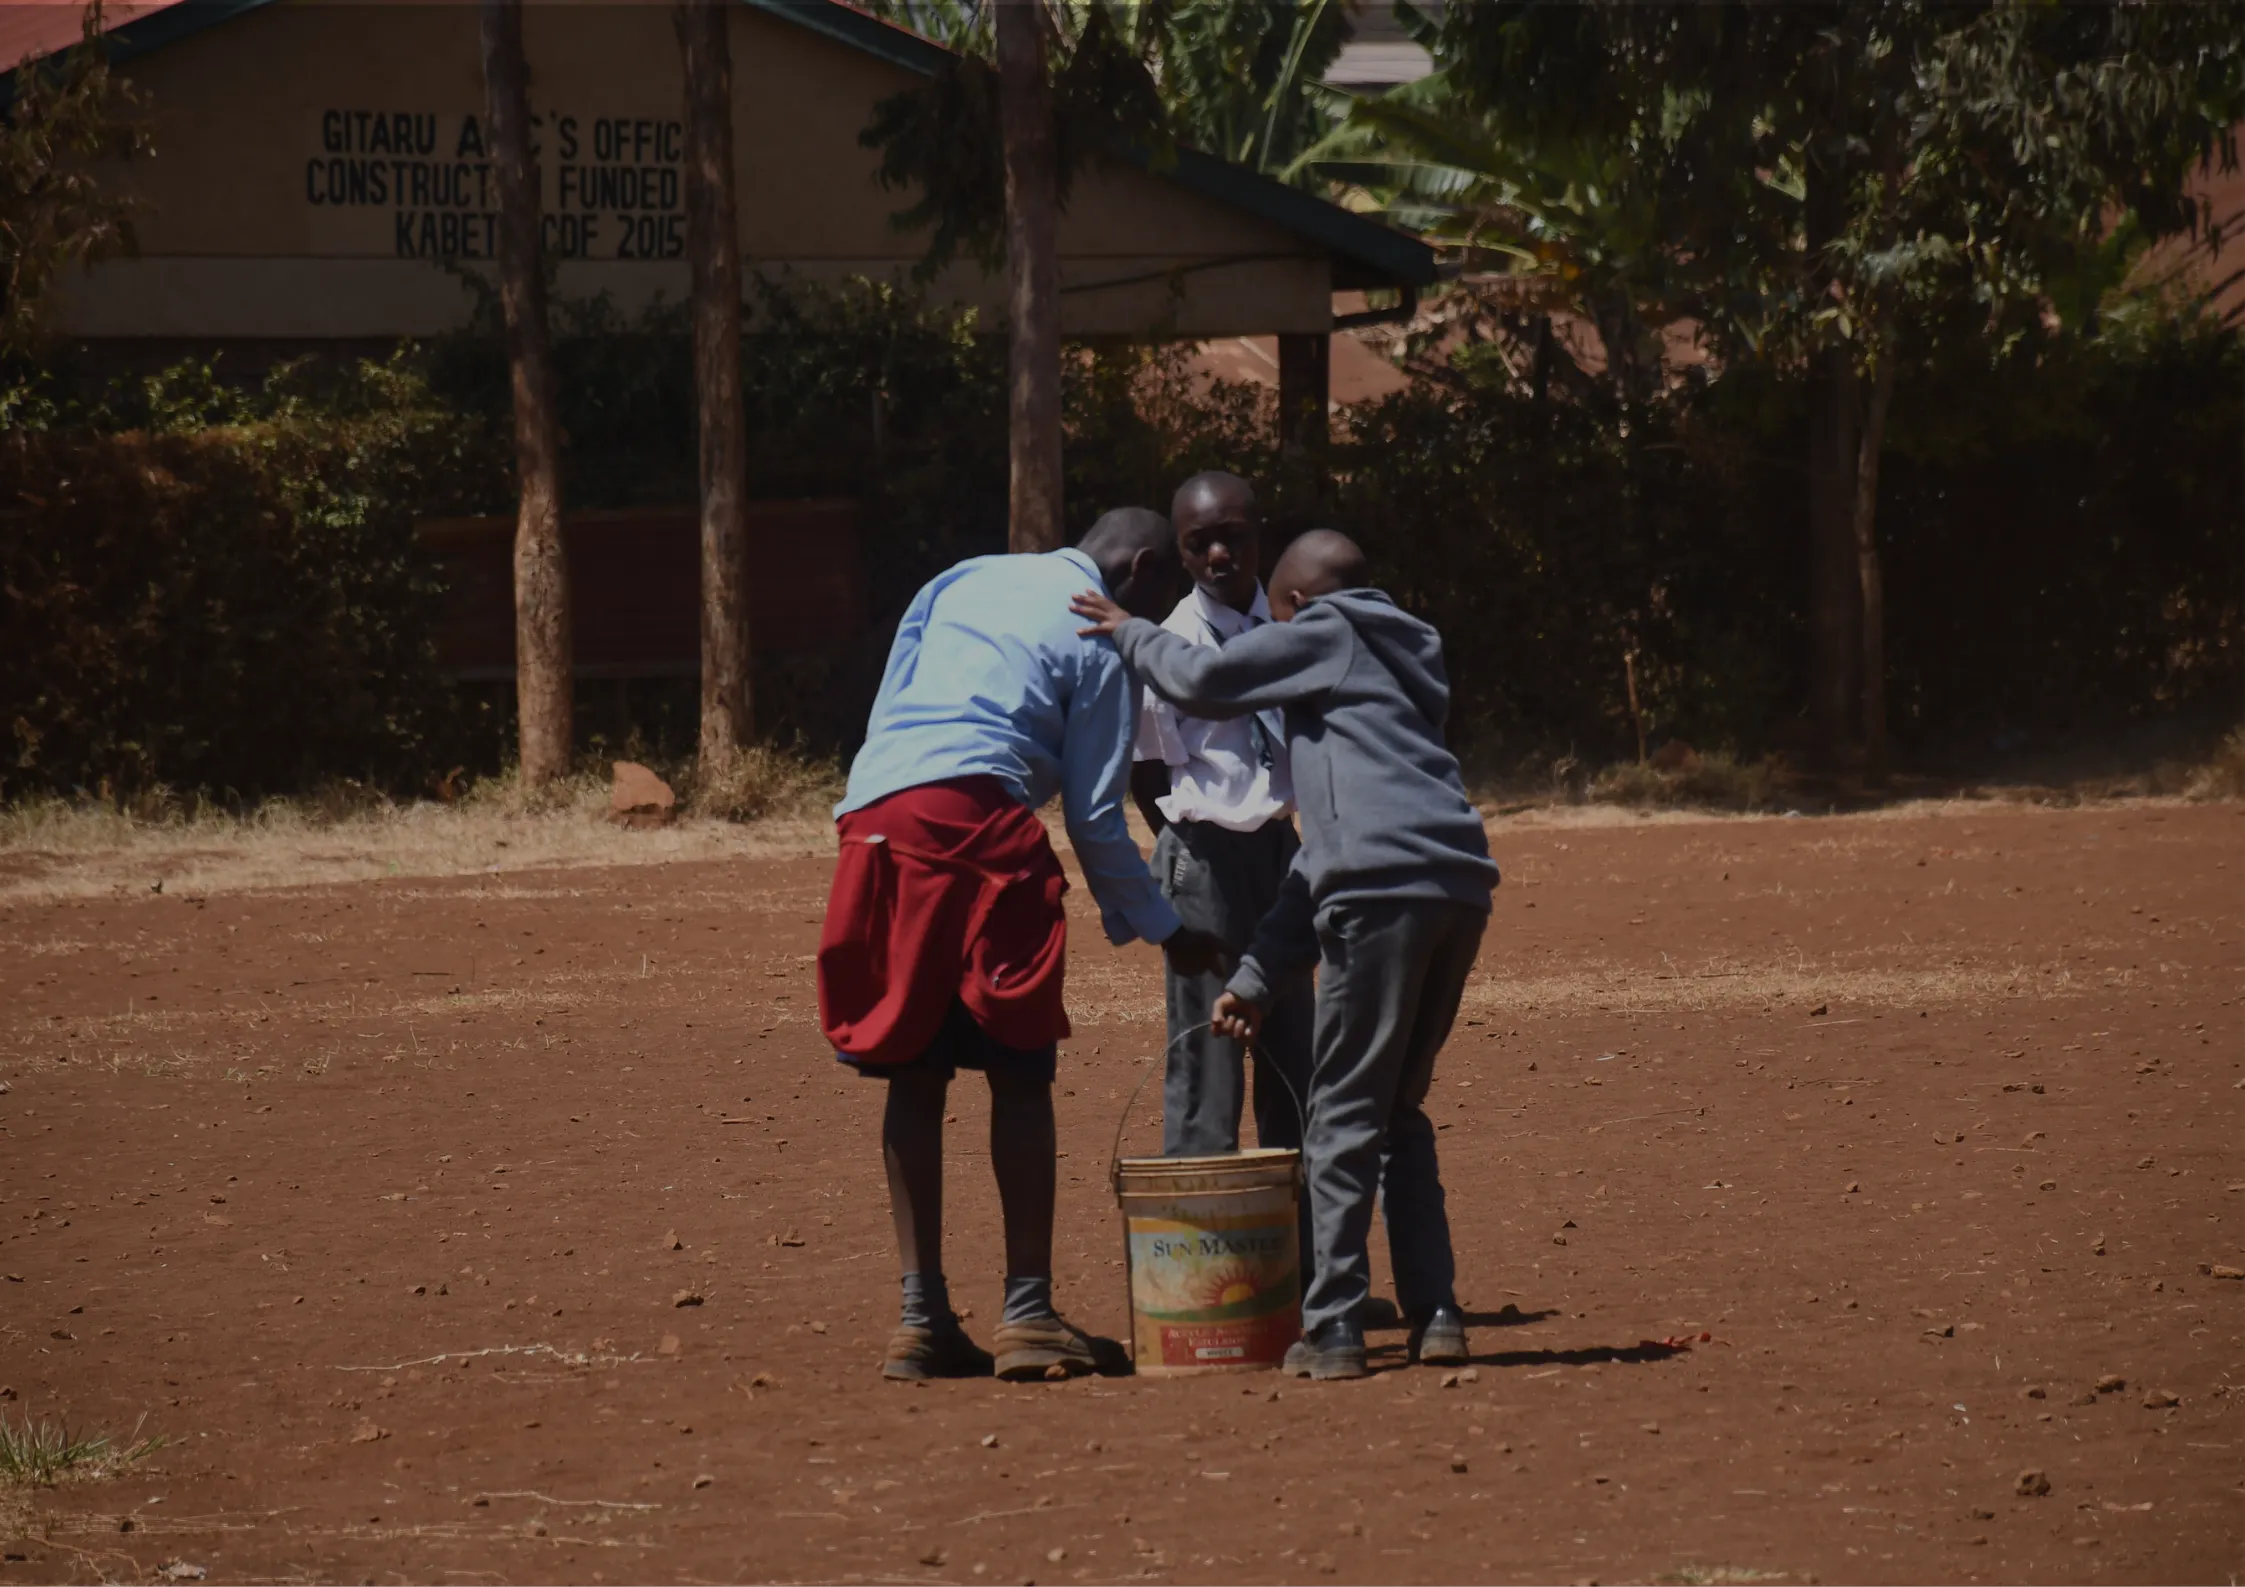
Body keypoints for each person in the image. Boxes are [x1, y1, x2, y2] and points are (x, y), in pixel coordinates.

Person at [1071, 530, 1499, 1381]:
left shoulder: (1331, 629)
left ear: (1296, 606)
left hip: (1380, 890)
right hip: (1456, 882)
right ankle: (1436, 1312)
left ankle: (1333, 1325)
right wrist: (1260, 976)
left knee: (1340, 1111)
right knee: (1398, 1109)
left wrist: (1126, 629)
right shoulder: (1404, 664)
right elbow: (1328, 846)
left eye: (1272, 617)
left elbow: (1199, 678)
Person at [818, 509, 1227, 1384]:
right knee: (1018, 1068)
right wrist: (1164, 928)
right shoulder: (1101, 628)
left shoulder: (966, 574)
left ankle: (920, 1318)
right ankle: (1028, 1312)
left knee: (913, 1070)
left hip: (876, 820)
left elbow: (892, 701)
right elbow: (1089, 814)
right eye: (1157, 600)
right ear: (1143, 569)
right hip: (978, 826)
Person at [1128, 473, 1313, 1169]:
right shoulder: (1168, 645)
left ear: (1259, 537)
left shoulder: (1293, 628)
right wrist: (1188, 858)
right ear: (1180, 555)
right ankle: (1207, 1261)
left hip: (1283, 856)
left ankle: (1300, 1258)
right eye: (1197, 543)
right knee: (1207, 1068)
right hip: (1202, 859)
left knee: (1294, 1050)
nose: (1217, 555)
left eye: (1231, 537)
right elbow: (1147, 773)